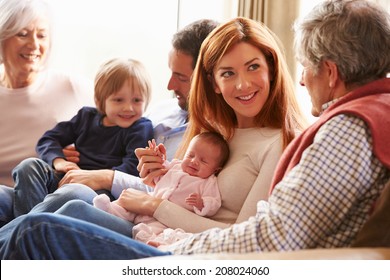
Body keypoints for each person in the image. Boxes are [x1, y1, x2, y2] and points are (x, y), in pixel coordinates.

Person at [0, 13, 315, 259]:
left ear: (272, 69)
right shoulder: (215, 131)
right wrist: (155, 180)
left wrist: (154, 204)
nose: (243, 85)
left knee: (37, 227)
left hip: (186, 251)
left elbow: (246, 236)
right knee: (72, 206)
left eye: (253, 67)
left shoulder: (280, 142)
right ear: (214, 83)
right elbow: (173, 189)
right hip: (153, 227)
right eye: (228, 73)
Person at [11, 57, 154, 217]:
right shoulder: (86, 116)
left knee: (72, 191)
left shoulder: (140, 127)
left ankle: (25, 226)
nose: (128, 107)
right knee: (28, 166)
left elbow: (131, 169)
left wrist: (92, 177)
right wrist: (60, 162)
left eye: (137, 100)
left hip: (99, 191)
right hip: (67, 177)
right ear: (100, 100)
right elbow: (49, 139)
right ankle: (26, 225)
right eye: (118, 100)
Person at [0, 0, 94, 226]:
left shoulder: (72, 87)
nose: (33, 45)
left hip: (53, 197)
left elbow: (119, 127)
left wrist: (84, 148)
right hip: (5, 196)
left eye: (41, 36)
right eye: (22, 34)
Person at [94, 132, 229, 245]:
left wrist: (202, 203)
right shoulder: (176, 165)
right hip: (146, 203)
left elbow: (214, 203)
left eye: (203, 161)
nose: (194, 161)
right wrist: (157, 158)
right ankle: (108, 209)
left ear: (215, 169)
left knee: (158, 231)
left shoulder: (208, 182)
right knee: (126, 201)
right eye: (190, 155)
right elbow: (160, 172)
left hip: (166, 219)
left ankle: (151, 241)